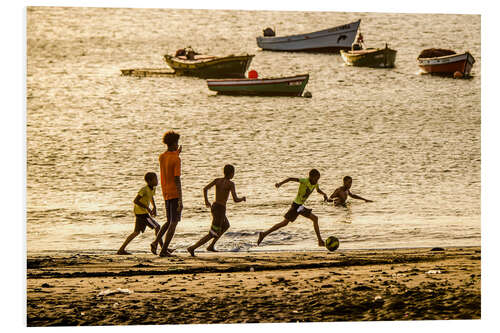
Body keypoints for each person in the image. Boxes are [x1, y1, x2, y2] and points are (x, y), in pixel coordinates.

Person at [257, 169, 328, 247]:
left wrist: (324, 194)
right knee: (285, 223)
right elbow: (290, 179)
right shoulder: (304, 181)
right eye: (316, 178)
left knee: (313, 219)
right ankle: (264, 234)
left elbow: (318, 190)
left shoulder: (315, 183)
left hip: (299, 206)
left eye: (318, 178)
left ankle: (320, 241)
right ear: (310, 177)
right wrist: (280, 183)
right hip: (296, 206)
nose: (317, 180)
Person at [187, 164, 246, 257]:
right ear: (231, 174)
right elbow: (235, 199)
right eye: (233, 173)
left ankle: (211, 245)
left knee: (226, 225)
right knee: (212, 233)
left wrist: (206, 201)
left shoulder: (217, 180)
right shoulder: (231, 184)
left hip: (214, 207)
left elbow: (205, 189)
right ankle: (193, 248)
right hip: (221, 209)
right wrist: (242, 199)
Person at [150, 131, 183, 257]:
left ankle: (155, 243)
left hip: (166, 193)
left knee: (169, 221)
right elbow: (177, 179)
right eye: (177, 143)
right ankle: (164, 250)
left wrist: (177, 152)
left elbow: (169, 159)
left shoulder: (162, 156)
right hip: (174, 193)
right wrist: (181, 200)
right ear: (174, 143)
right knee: (173, 223)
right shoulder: (176, 159)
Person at [117, 172, 162, 255]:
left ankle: (121, 249)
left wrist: (154, 207)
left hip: (141, 213)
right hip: (142, 213)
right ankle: (162, 248)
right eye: (155, 179)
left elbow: (151, 197)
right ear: (149, 181)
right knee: (158, 227)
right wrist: (147, 208)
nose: (157, 181)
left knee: (136, 232)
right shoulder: (144, 189)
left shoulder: (152, 188)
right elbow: (136, 201)